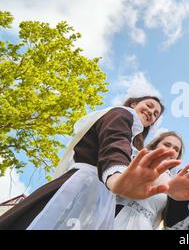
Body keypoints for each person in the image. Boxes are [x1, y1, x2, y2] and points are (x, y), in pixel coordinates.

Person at [0, 95, 179, 230]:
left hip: (101, 199)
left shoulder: (135, 142)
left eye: (155, 114)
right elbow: (114, 145)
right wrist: (117, 177)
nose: (151, 112)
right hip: (80, 187)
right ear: (133, 104)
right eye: (149, 106)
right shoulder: (122, 114)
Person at [114, 131, 189, 230]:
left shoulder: (173, 178)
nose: (170, 150)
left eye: (176, 149)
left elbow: (171, 218)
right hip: (118, 220)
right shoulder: (139, 160)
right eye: (167, 145)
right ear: (154, 146)